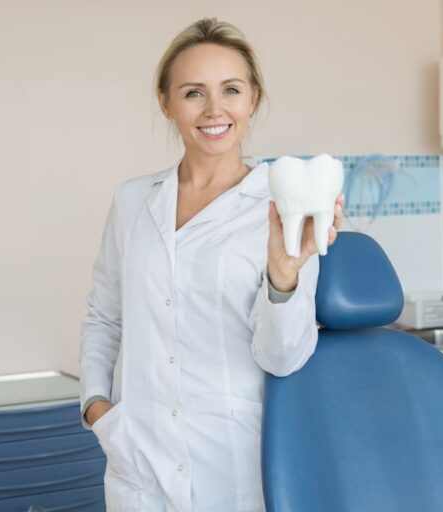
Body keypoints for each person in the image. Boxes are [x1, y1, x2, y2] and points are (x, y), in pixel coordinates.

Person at [79, 17, 345, 512]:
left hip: (237, 464)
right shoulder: (134, 201)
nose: (214, 109)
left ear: (253, 99)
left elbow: (283, 358)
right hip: (139, 462)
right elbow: (104, 317)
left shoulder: (284, 204)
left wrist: (283, 276)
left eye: (230, 89)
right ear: (166, 102)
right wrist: (99, 409)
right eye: (193, 93)